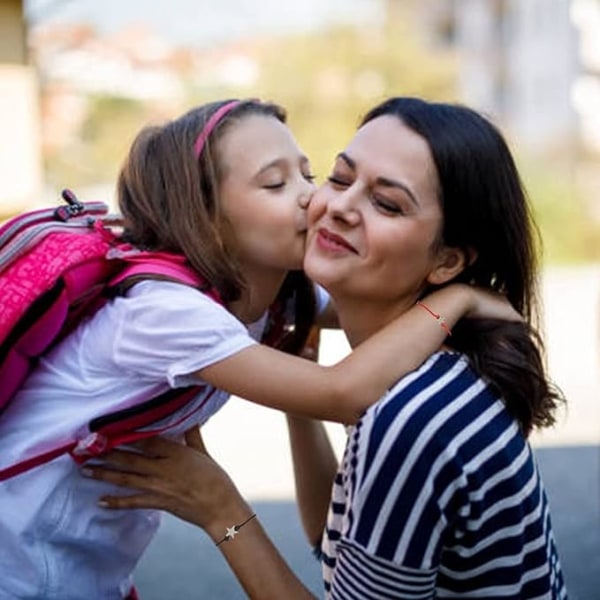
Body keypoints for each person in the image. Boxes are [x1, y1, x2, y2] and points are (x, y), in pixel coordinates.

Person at [0, 99, 513, 600]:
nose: (311, 199)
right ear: (206, 215)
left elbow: (374, 305)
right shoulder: (166, 312)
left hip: (82, 556)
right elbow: (343, 391)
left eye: (310, 175)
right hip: (23, 561)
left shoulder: (267, 289)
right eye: (275, 183)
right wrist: (459, 297)